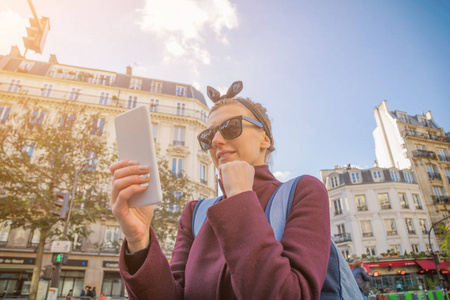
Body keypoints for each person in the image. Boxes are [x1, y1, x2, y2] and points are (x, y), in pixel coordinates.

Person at [109, 81, 331, 299]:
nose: (215, 140)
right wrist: (139, 240)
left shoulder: (304, 191)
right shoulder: (194, 213)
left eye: (231, 127)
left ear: (265, 138)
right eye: (208, 136)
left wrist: (241, 199)